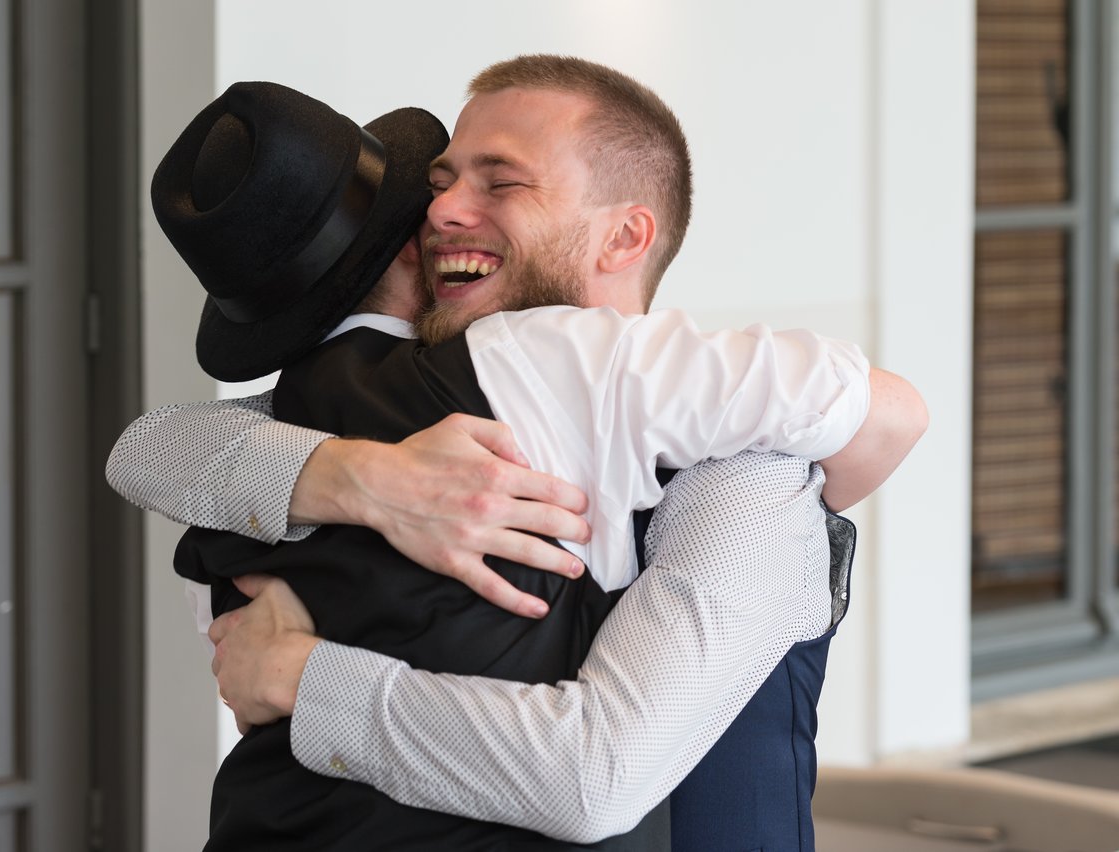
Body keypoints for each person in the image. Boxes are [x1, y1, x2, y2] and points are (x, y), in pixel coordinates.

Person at [110, 57, 926, 850]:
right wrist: (364, 480)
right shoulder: (371, 420)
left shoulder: (745, 476)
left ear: (622, 237)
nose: (438, 215)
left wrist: (301, 674)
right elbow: (152, 448)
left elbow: (591, 777)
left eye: (500, 183)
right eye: (436, 186)